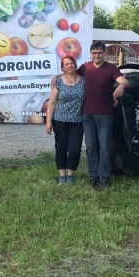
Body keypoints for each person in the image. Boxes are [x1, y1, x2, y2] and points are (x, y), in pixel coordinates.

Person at [77, 40, 128, 188]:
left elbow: (124, 80)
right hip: (87, 114)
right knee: (91, 147)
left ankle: (104, 177)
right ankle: (93, 176)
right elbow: (70, 76)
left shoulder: (111, 68)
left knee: (105, 147)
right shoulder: (85, 68)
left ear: (104, 53)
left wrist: (121, 85)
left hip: (105, 114)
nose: (97, 55)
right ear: (90, 53)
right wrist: (57, 78)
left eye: (99, 52)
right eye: (94, 53)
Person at [45, 55, 85, 184]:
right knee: (61, 147)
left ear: (75, 64)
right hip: (60, 120)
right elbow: (51, 103)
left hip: (77, 121)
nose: (69, 66)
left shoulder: (84, 81)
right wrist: (48, 122)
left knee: (75, 149)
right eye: (66, 64)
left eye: (71, 63)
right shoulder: (58, 82)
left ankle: (70, 173)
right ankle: (62, 175)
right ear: (63, 67)